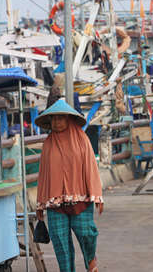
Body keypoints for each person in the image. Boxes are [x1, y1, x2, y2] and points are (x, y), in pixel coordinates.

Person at [35, 99, 104, 272]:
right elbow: (44, 174)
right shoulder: (48, 143)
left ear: (68, 119)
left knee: (86, 234)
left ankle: (91, 259)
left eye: (60, 118)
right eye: (54, 119)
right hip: (55, 204)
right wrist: (40, 203)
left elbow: (90, 167)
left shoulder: (82, 139)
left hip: (80, 199)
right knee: (61, 245)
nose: (56, 122)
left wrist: (96, 194)